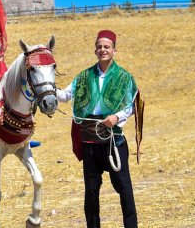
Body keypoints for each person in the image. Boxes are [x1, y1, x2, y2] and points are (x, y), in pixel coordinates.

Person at [56, 30, 144, 228]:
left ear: (114, 50)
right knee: (91, 191)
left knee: (124, 188)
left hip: (114, 141)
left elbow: (133, 105)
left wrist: (117, 117)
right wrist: (44, 86)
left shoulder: (124, 77)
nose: (102, 50)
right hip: (90, 143)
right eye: (99, 47)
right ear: (95, 50)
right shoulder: (84, 76)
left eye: (107, 47)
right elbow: (64, 95)